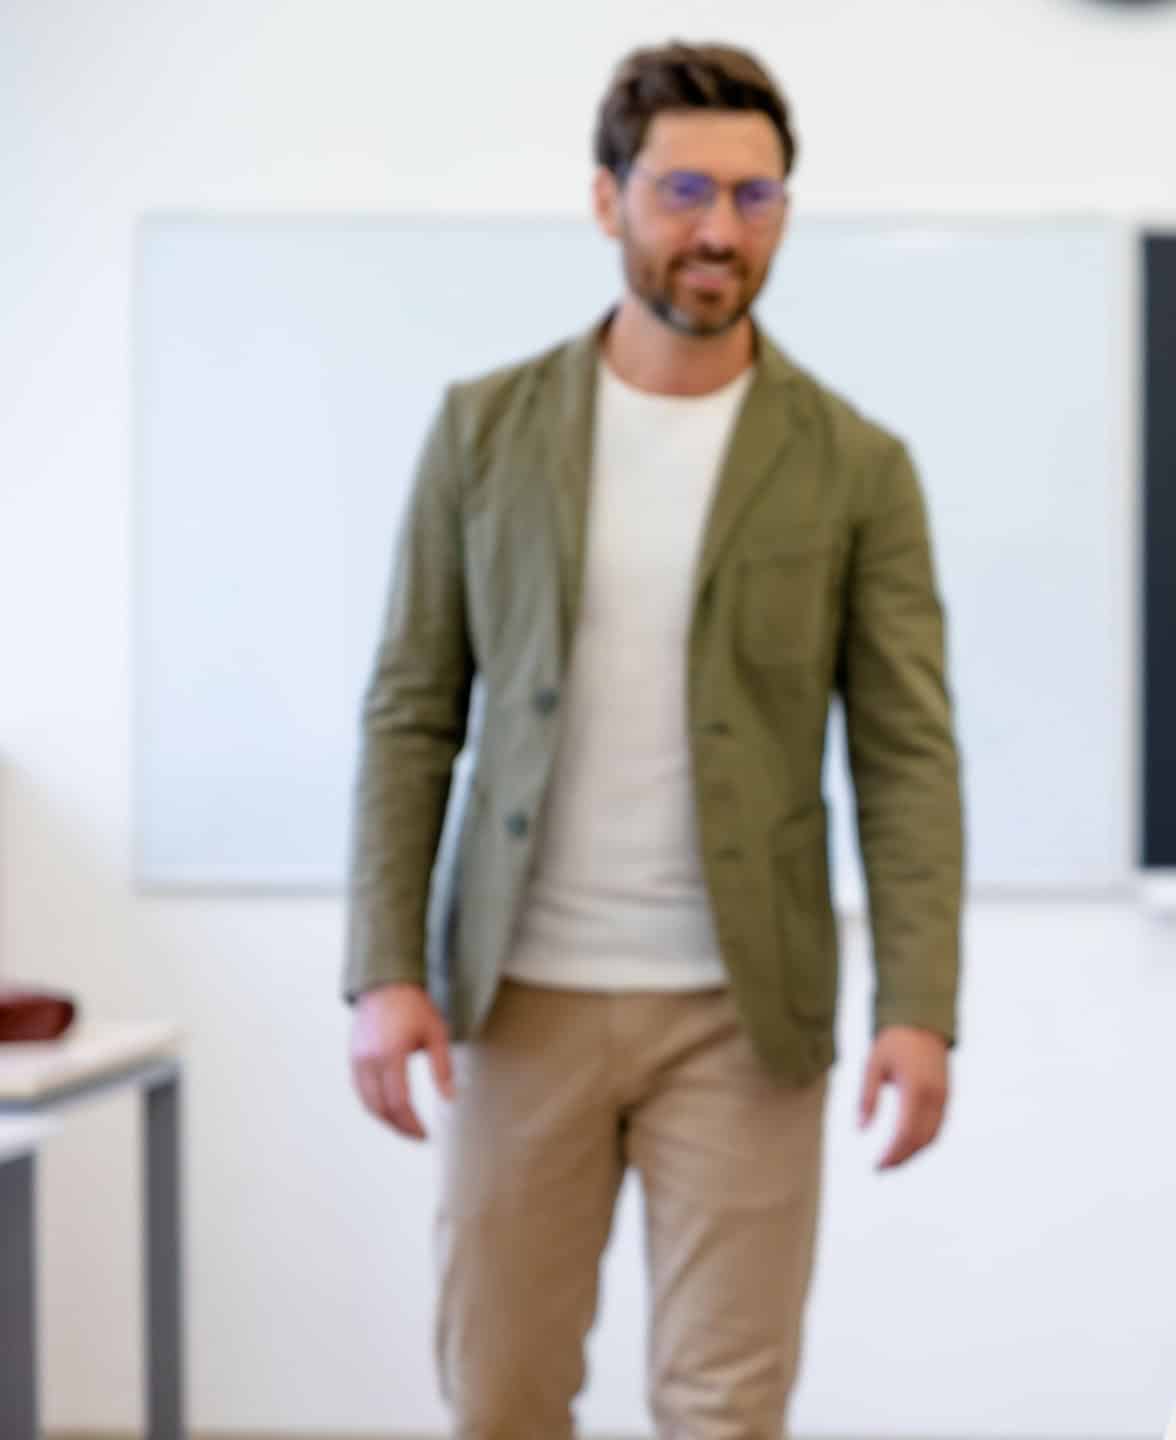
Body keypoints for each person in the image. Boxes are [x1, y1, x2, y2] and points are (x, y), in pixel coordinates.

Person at [341, 42, 963, 1437]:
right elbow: (410, 711)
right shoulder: (485, 432)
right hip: (519, 996)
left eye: (757, 196)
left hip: (744, 1013)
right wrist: (383, 965)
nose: (720, 229)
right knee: (501, 1392)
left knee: (724, 1407)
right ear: (607, 198)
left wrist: (920, 1006)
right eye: (686, 189)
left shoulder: (857, 464)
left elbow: (908, 755)